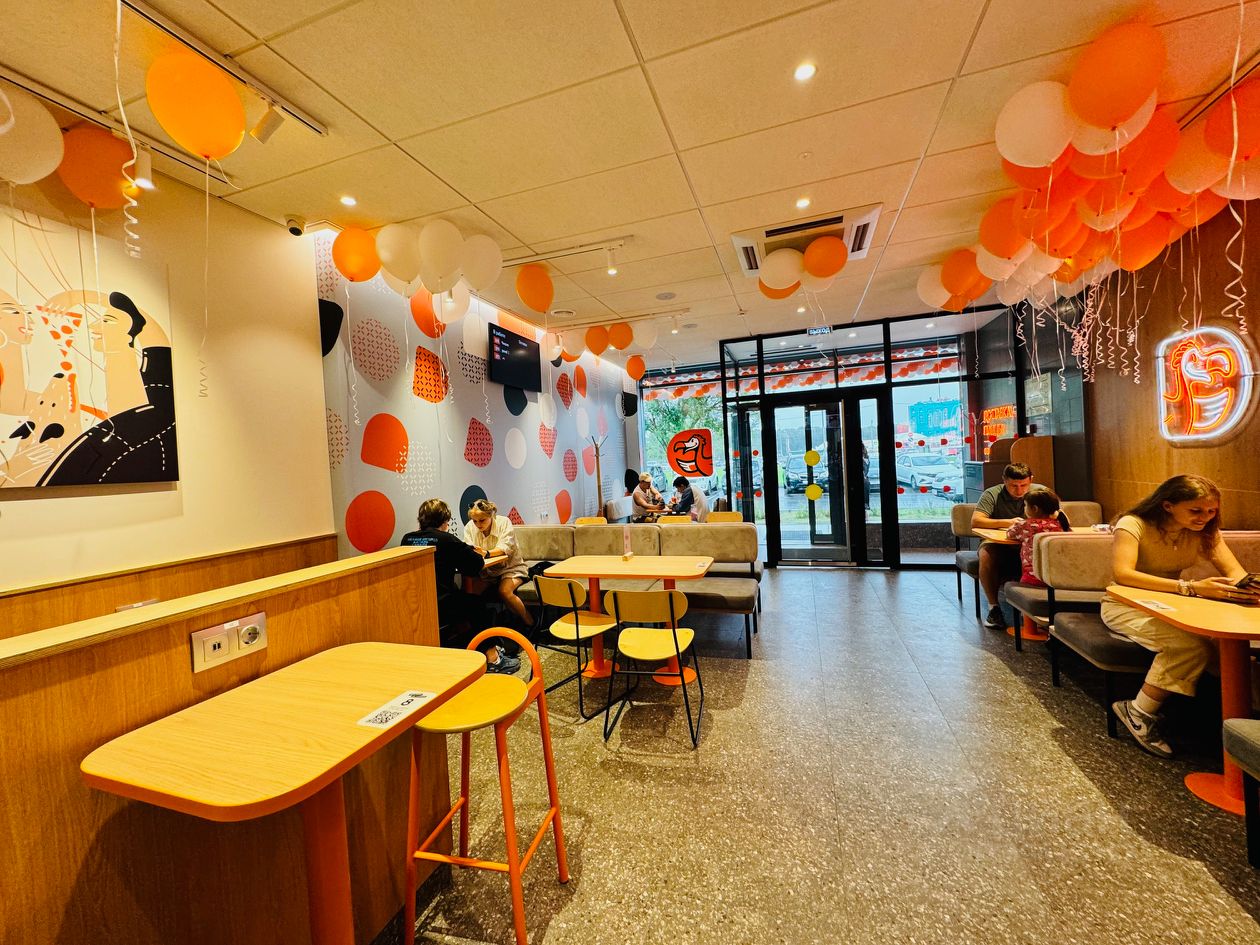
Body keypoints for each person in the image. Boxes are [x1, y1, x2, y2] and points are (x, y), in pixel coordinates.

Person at [1103, 475, 1260, 758]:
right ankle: (1138, 711)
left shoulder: (1206, 531)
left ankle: (1247, 726)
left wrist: (1248, 587)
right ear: (1168, 506)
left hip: (1175, 603)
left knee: (1229, 647)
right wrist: (1190, 587)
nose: (1205, 517)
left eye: (1211, 511)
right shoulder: (1133, 524)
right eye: (1196, 510)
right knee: (1190, 646)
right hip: (1125, 604)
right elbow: (1123, 574)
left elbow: (1234, 572)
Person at [400, 499, 519, 674]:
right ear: (444, 521)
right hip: (441, 604)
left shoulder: (407, 539)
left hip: (413, 604)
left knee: (464, 600)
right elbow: (475, 564)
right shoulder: (447, 540)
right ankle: (493, 658)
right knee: (477, 606)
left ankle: (468, 648)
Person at [971, 462, 1035, 628]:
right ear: (1004, 480)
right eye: (1014, 485)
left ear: (1031, 480)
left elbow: (1060, 517)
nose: (1019, 490)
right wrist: (1008, 522)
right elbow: (976, 521)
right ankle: (994, 607)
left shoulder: (1039, 493)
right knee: (986, 553)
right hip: (997, 544)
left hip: (1030, 544)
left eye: (1023, 485)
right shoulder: (992, 494)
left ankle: (1039, 609)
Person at [463, 498, 533, 633]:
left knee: (504, 591)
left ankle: (530, 622)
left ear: (491, 515)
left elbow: (505, 548)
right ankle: (481, 631)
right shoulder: (469, 527)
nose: (478, 524)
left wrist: (486, 553)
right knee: (469, 593)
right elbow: (469, 548)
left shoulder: (504, 522)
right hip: (486, 572)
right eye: (475, 521)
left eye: (482, 520)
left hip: (511, 568)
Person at [1005, 488, 1071, 587]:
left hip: (1032, 578)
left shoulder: (1025, 525)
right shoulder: (1060, 524)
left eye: (1026, 505)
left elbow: (1010, 534)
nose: (1024, 508)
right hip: (1056, 578)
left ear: (1035, 508)